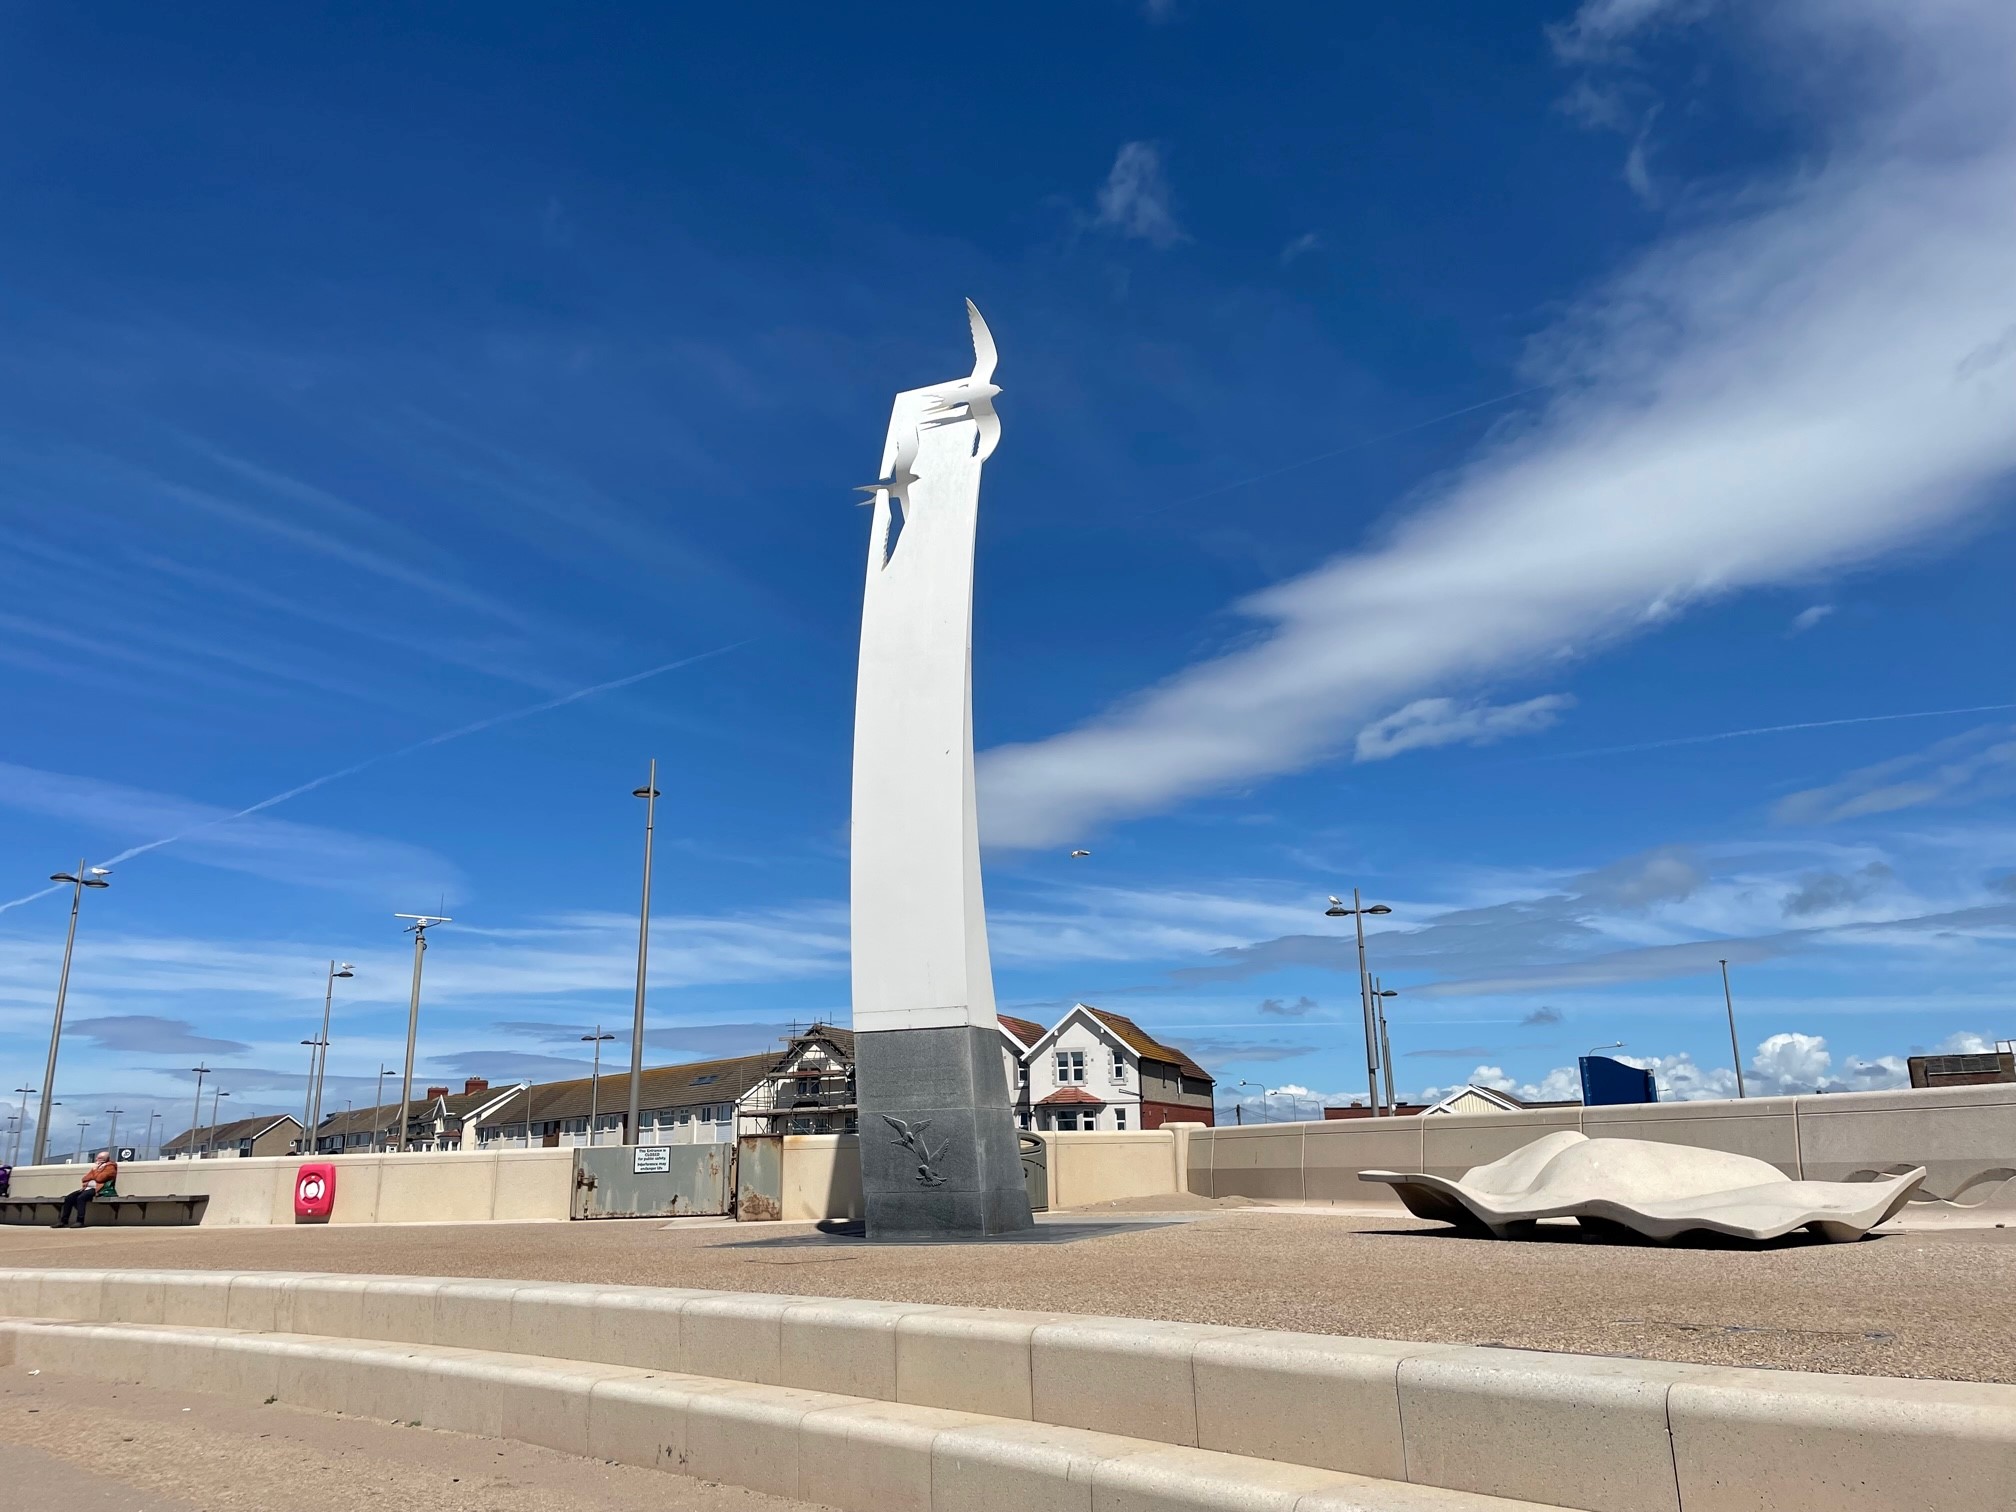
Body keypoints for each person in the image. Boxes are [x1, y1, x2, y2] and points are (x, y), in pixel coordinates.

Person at [53, 1149, 118, 1228]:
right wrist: (95, 1173)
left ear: (105, 1159)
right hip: (86, 1188)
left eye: (99, 1158)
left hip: (98, 1189)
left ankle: (80, 1221)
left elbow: (100, 1178)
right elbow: (85, 1178)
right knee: (69, 1198)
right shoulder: (97, 1167)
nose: (96, 1160)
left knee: (81, 1198)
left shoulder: (110, 1167)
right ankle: (63, 1221)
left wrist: (94, 1171)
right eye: (97, 1158)